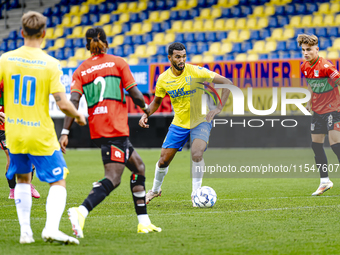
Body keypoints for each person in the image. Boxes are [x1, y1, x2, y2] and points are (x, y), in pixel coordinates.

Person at [59, 27, 161, 238]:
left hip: (98, 130)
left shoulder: (81, 71)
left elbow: (74, 102)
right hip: (115, 128)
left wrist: (64, 131)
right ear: (106, 42)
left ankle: (144, 222)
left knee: (138, 167)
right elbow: (135, 93)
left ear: (87, 46)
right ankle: (81, 210)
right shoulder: (118, 62)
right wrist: (145, 109)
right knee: (113, 178)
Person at [1, 11, 86, 244]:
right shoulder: (50, 63)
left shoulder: (5, 59)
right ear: (44, 33)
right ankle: (50, 228)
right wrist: (78, 115)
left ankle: (25, 233)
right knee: (58, 181)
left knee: (22, 179)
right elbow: (62, 102)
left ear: (21, 33)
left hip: (15, 132)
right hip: (40, 133)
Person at [139, 42, 231, 207]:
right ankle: (155, 190)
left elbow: (227, 82)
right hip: (179, 123)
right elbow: (156, 102)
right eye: (178, 57)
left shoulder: (196, 71)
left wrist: (218, 107)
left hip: (201, 120)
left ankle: (196, 194)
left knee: (197, 154)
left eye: (184, 56)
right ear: (170, 58)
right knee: (163, 161)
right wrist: (146, 114)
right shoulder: (163, 79)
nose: (182, 60)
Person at [298, 34, 340, 196]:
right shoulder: (304, 66)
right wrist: (309, 102)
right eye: (303, 50)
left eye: (309, 50)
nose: (305, 53)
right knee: (316, 145)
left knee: (335, 144)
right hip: (318, 110)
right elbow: (311, 85)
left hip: (333, 109)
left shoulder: (326, 67)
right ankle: (325, 181)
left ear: (317, 49)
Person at [0, 81, 40, 199]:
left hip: (23, 124)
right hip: (5, 126)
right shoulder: (4, 79)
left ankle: (27, 185)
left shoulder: (26, 80)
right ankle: (12, 189)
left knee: (30, 156)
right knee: (11, 157)